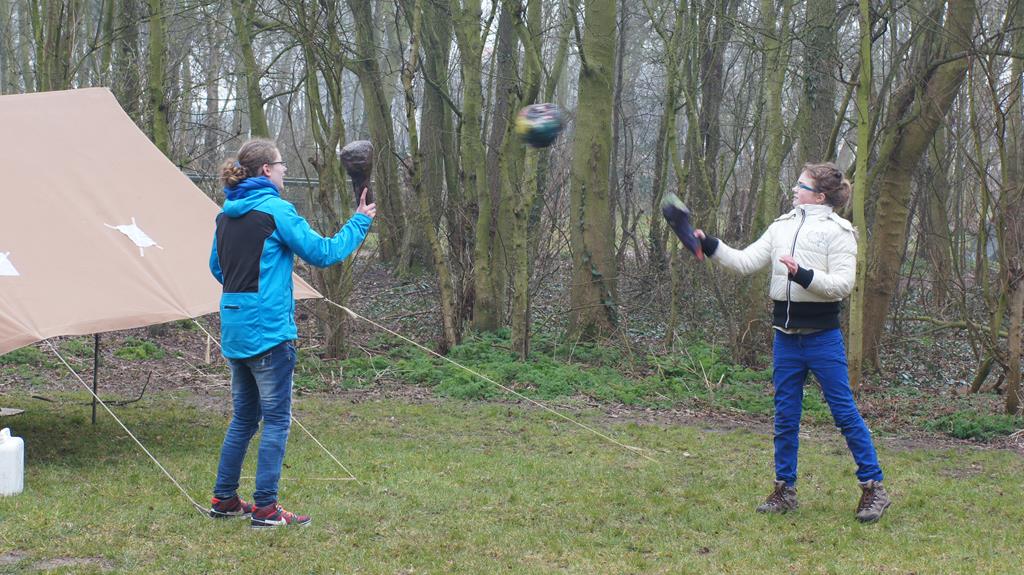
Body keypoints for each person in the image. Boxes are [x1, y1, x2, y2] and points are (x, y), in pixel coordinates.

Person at [693, 162, 891, 523]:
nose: (794, 190)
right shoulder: (780, 227)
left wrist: (803, 276)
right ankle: (785, 490)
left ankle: (873, 487)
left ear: (820, 196)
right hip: (784, 339)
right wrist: (710, 245)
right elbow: (744, 261)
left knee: (844, 414)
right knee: (785, 418)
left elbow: (843, 285)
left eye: (801, 185)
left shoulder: (840, 233)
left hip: (822, 339)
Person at [207, 139, 376, 528]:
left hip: (234, 328)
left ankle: (224, 499)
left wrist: (251, 284)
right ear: (267, 170)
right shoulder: (277, 210)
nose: (285, 170)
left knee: (244, 419)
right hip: (268, 331)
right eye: (281, 164)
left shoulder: (224, 217)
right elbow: (323, 252)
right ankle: (265, 509)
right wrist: (360, 220)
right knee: (276, 420)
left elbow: (218, 269)